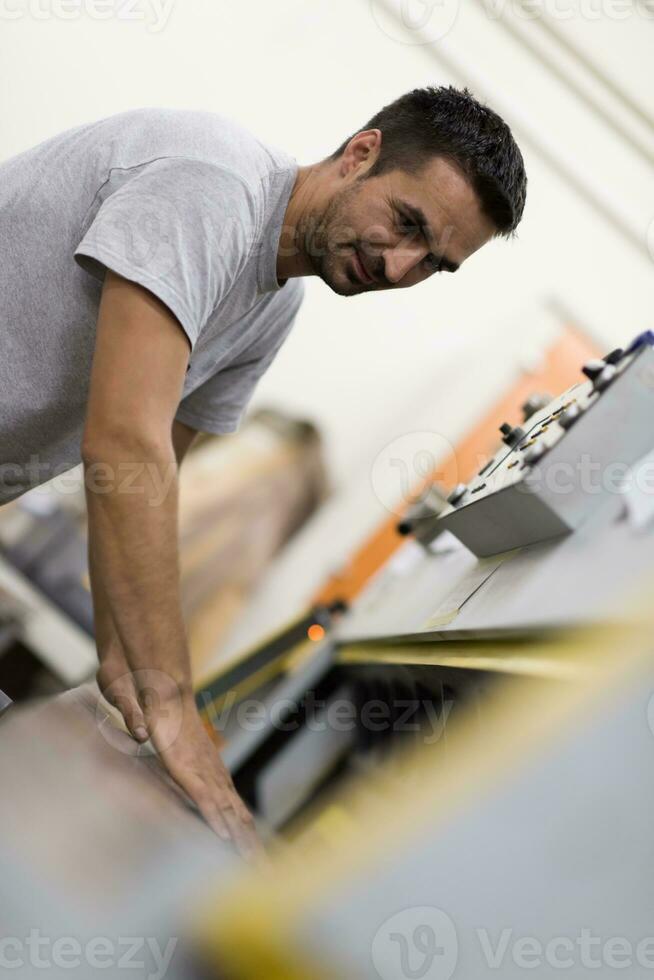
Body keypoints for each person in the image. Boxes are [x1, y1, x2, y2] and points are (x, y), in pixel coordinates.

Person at [0, 85, 527, 856]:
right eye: (406, 223)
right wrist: (170, 702)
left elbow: (151, 487)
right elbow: (124, 448)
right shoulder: (213, 185)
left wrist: (127, 673)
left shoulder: (271, 307)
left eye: (433, 264)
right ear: (361, 153)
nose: (399, 265)